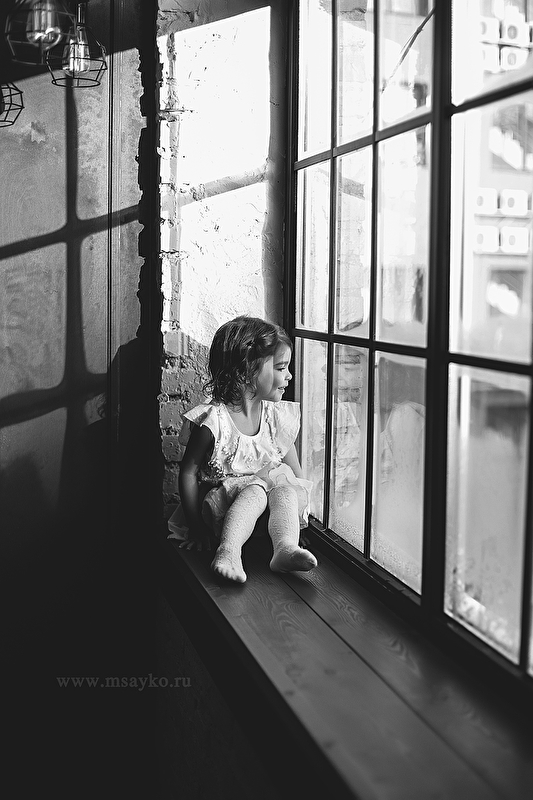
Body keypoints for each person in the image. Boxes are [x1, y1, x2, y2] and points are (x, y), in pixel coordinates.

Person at [167, 315, 318, 583]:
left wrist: (297, 521)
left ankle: (285, 547)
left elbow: (295, 473)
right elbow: (188, 472)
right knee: (256, 491)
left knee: (284, 488)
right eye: (281, 368)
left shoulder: (275, 418)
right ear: (247, 371)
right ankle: (228, 552)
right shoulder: (215, 420)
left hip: (264, 523)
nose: (289, 375)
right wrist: (195, 526)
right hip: (223, 515)